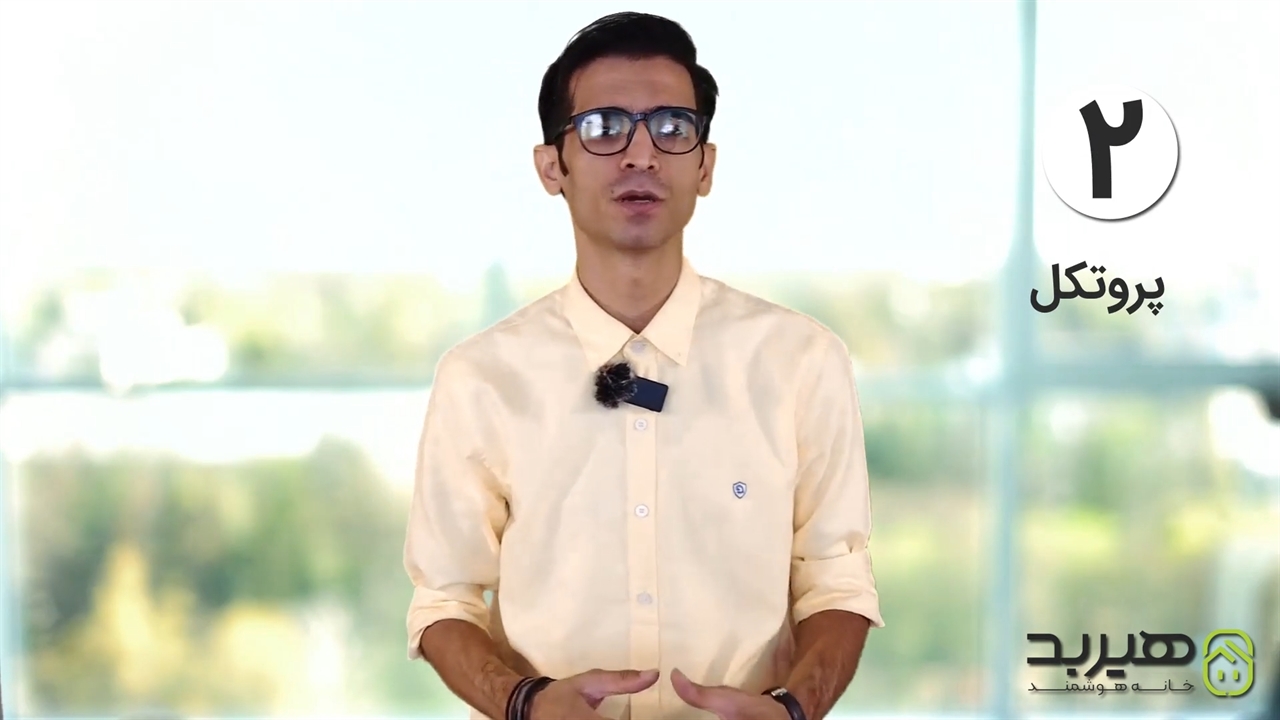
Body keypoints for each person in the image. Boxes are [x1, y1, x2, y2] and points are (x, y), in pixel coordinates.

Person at [404, 12, 883, 720]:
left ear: (705, 166)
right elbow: (444, 601)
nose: (640, 155)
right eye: (604, 128)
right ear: (551, 166)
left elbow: (837, 582)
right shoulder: (480, 378)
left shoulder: (801, 362)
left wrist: (792, 711)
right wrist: (523, 703)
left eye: (671, 127)